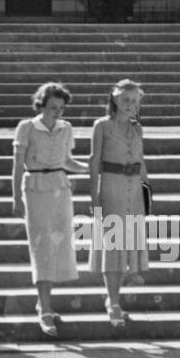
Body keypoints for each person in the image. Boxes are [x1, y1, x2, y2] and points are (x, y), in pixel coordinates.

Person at [12, 82, 88, 337]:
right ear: (42, 105)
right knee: (41, 246)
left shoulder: (66, 129)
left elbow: (67, 161)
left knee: (58, 247)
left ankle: (44, 302)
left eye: (61, 108)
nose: (57, 112)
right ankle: (44, 307)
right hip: (34, 190)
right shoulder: (26, 127)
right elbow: (17, 166)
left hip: (60, 189)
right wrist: (14, 198)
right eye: (53, 107)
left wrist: (91, 168)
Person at [88, 79, 150, 328]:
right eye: (125, 99)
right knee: (113, 247)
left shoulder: (137, 128)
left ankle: (114, 299)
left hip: (134, 189)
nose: (130, 105)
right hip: (111, 188)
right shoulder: (102, 126)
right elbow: (93, 161)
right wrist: (94, 197)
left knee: (129, 247)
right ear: (114, 99)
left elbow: (141, 160)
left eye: (134, 101)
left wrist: (148, 192)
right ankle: (113, 303)